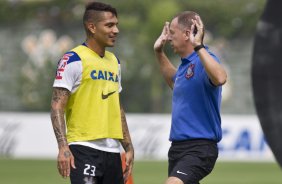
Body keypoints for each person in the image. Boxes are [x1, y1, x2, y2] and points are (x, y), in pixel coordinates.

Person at [50, 2, 134, 184]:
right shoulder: (73, 59)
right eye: (110, 25)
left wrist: (128, 146)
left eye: (116, 24)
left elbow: (117, 107)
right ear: (92, 27)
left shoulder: (114, 62)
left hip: (112, 151)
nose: (116, 30)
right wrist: (63, 146)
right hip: (83, 148)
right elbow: (57, 105)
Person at [153, 11, 227, 184]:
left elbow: (221, 78)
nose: (169, 38)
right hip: (178, 148)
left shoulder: (203, 59)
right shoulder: (186, 66)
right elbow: (174, 82)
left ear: (187, 34)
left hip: (199, 148)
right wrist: (159, 52)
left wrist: (199, 46)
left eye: (172, 32)